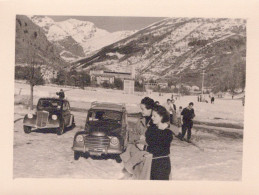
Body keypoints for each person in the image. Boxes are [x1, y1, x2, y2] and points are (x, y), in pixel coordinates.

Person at [143, 105, 173, 180]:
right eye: (152, 115)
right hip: (151, 163)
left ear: (161, 117)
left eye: (154, 116)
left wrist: (145, 147)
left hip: (161, 164)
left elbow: (157, 149)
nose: (152, 117)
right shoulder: (152, 129)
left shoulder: (167, 133)